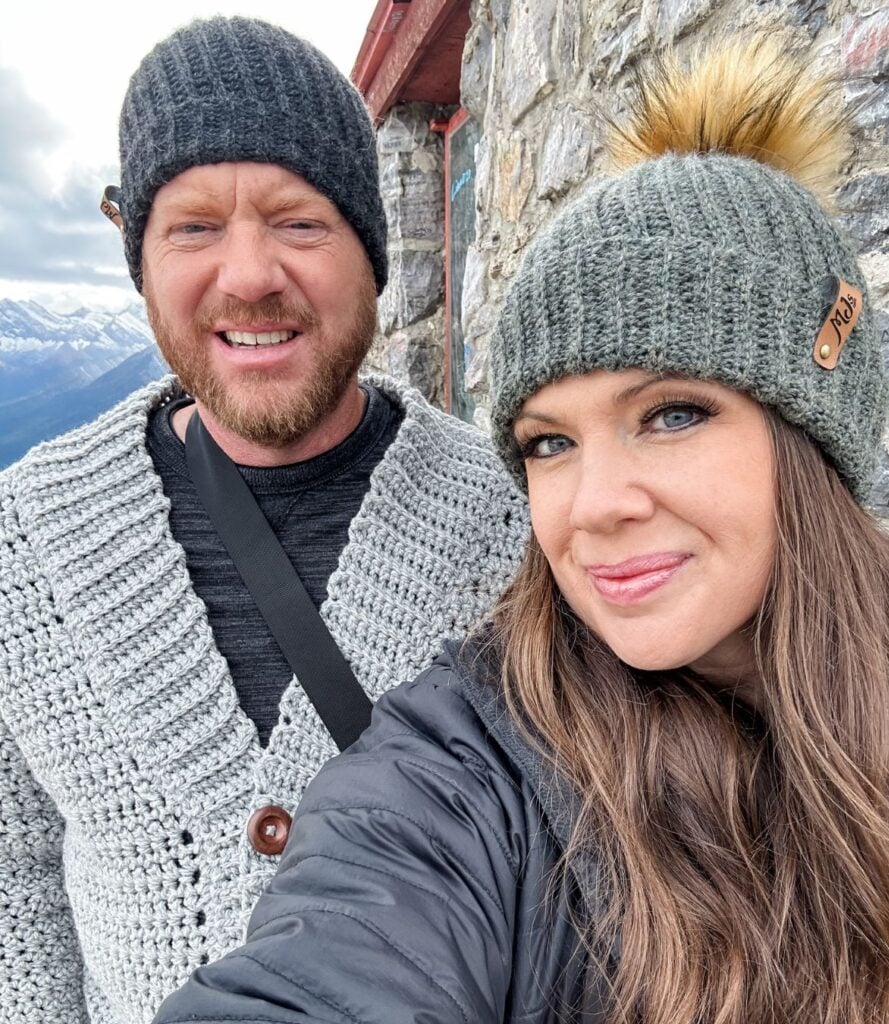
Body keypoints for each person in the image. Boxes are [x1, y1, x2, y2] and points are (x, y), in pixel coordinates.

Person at [153, 36, 889, 1024]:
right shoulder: (470, 764)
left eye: (671, 413)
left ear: (815, 428)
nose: (593, 503)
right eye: (548, 444)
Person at [0, 16, 528, 1024]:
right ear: (140, 258)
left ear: (369, 254)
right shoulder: (22, 542)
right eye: (193, 226)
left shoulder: (515, 526)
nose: (248, 274)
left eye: (296, 220)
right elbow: (13, 878)